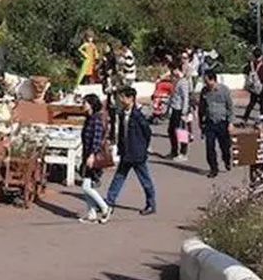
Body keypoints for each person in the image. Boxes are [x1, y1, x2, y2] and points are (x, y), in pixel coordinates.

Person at [104, 87, 156, 217]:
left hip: (137, 153)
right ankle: (109, 201)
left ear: (130, 98)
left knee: (145, 180)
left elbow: (147, 132)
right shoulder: (122, 113)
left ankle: (151, 204)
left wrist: (143, 148)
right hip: (126, 152)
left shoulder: (138, 115)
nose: (120, 100)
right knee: (118, 178)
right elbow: (121, 132)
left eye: (123, 97)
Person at [79, 93, 112, 223]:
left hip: (92, 156)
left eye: (85, 103)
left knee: (86, 187)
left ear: (91, 104)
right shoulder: (89, 118)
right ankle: (91, 213)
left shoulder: (96, 119)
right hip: (86, 154)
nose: (83, 105)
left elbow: (97, 139)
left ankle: (104, 207)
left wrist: (92, 155)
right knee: (87, 185)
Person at [199, 71, 234, 178]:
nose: (206, 83)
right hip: (210, 122)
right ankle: (213, 168)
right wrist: (201, 122)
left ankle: (227, 160)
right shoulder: (204, 91)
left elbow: (230, 107)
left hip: (222, 122)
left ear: (213, 80)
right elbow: (202, 108)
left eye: (207, 81)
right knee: (209, 146)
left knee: (225, 146)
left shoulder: (224, 90)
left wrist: (230, 122)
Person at [165, 66, 191, 160]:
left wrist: (184, 112)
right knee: (171, 130)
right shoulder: (175, 81)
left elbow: (185, 98)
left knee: (181, 132)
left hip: (180, 110)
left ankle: (183, 153)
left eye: (174, 70)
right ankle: (174, 151)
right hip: (174, 109)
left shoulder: (183, 82)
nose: (173, 72)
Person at [242, 48, 263, 123]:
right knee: (262, 104)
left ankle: (245, 118)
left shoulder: (251, 64)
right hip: (261, 88)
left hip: (253, 87)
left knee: (251, 103)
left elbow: (245, 71)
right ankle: (262, 119)